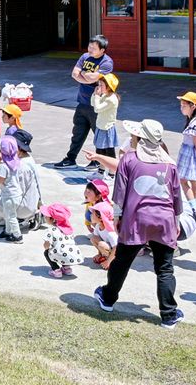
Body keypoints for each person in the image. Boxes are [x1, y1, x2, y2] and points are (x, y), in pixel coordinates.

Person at [93, 119, 184, 329]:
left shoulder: (130, 159)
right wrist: (176, 221)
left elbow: (120, 190)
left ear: (139, 138)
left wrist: (117, 215)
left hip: (136, 219)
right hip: (165, 220)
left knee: (122, 261)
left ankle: (107, 298)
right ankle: (169, 315)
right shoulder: (170, 163)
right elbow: (176, 195)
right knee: (164, 268)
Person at [55, 35, 114, 169]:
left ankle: (98, 161)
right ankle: (70, 159)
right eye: (89, 46)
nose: (90, 50)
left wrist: (83, 75)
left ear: (102, 50)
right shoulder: (84, 57)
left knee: (98, 135)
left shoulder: (107, 62)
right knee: (78, 132)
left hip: (97, 104)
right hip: (82, 102)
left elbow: (93, 77)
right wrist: (86, 78)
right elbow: (74, 74)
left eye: (94, 48)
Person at [0, 134, 39, 243]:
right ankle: (7, 232)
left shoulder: (4, 166)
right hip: (16, 195)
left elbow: (0, 180)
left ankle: (17, 236)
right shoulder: (15, 162)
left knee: (11, 217)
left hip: (10, 196)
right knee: (8, 215)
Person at [175, 92, 196, 205]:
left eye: (184, 105)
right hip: (189, 152)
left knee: (186, 180)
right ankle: (194, 203)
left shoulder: (195, 123)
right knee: (190, 180)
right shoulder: (193, 120)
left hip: (190, 153)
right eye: (181, 105)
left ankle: (193, 204)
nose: (181, 108)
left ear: (193, 106)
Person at [39, 203, 83, 278]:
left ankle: (56, 270)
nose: (45, 218)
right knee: (63, 249)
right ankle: (67, 269)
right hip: (72, 255)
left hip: (61, 254)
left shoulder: (51, 230)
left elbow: (46, 245)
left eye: (46, 217)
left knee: (47, 253)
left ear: (53, 219)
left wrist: (48, 249)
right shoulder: (68, 229)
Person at [90, 73, 121, 174]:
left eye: (101, 85)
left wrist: (97, 96)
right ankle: (101, 171)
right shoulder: (105, 95)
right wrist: (95, 95)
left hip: (107, 128)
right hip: (101, 127)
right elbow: (92, 103)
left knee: (109, 153)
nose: (99, 87)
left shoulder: (111, 99)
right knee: (100, 152)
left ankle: (112, 174)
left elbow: (97, 109)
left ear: (108, 86)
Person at [83, 178, 116, 268]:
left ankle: (110, 260)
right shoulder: (91, 204)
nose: (85, 192)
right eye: (86, 190)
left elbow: (117, 247)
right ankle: (103, 254)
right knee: (94, 238)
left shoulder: (104, 208)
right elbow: (88, 213)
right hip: (100, 225)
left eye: (89, 191)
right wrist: (88, 223)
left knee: (101, 243)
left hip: (114, 245)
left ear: (98, 196)